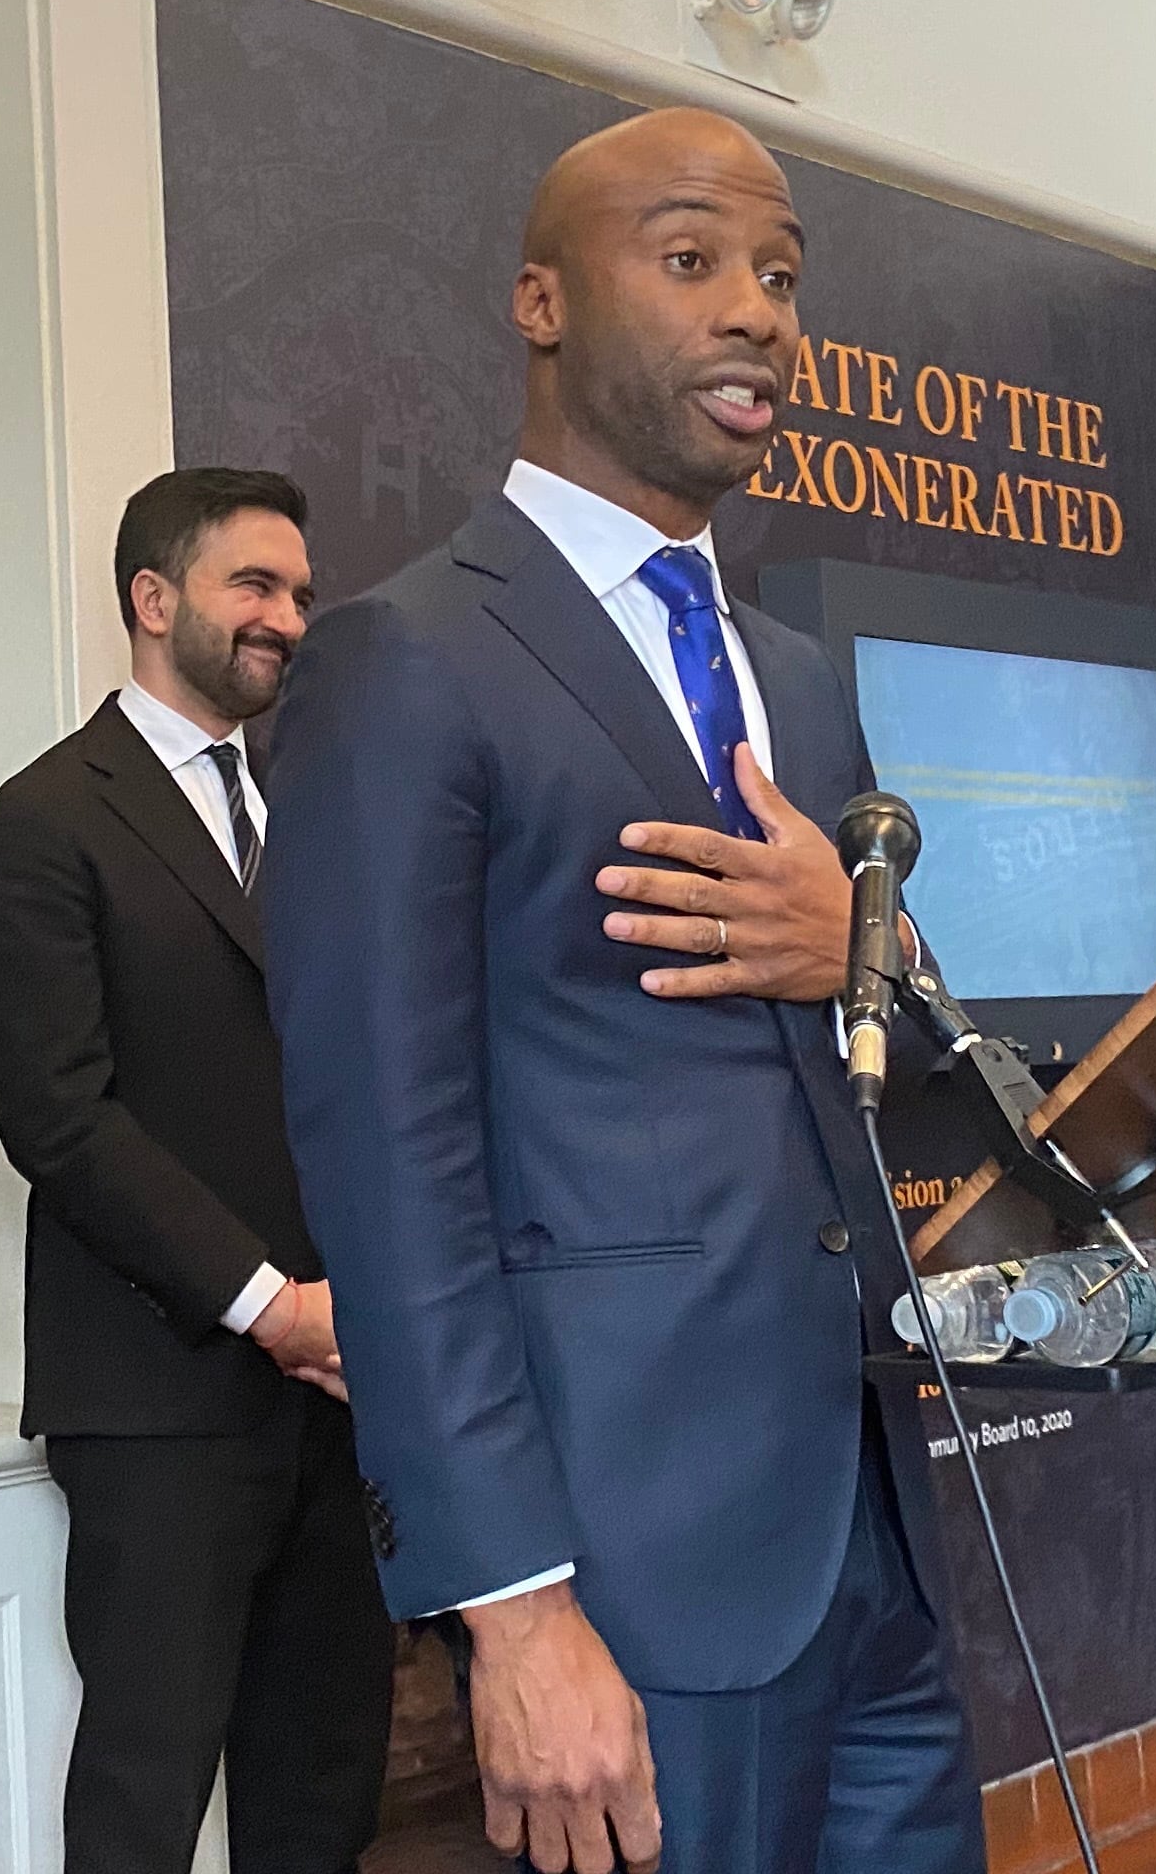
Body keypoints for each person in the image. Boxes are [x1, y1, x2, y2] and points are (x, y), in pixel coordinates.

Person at [258, 107, 979, 1874]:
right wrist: (511, 1604)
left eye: (781, 277)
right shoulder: (405, 658)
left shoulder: (798, 679)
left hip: (869, 1523)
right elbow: (390, 1169)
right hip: (626, 1555)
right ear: (542, 302)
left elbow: (877, 1055)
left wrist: (864, 952)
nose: (756, 312)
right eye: (691, 260)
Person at [0, 467, 396, 1874]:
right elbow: (61, 1122)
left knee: (325, 1794)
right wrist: (270, 1306)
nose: (287, 619)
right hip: (160, 1403)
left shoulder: (317, 817)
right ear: (153, 598)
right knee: (143, 1802)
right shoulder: (42, 822)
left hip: (349, 1396)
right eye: (253, 585)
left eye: (301, 594)